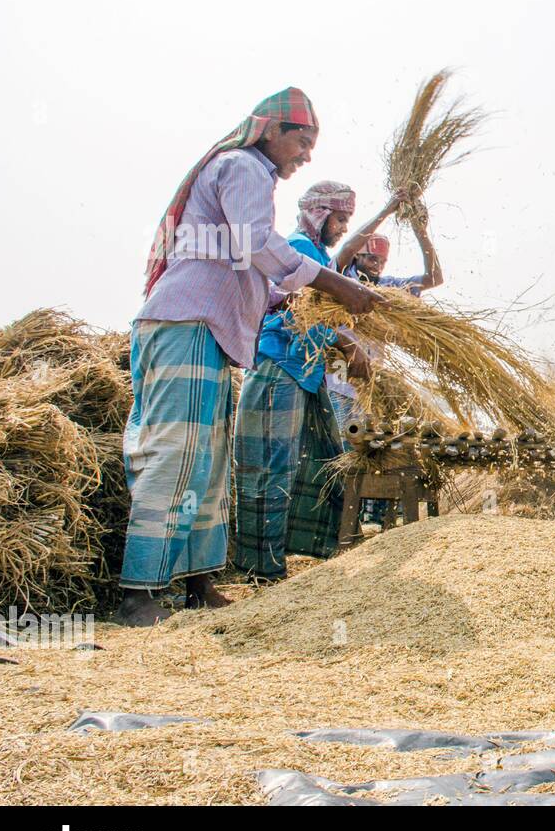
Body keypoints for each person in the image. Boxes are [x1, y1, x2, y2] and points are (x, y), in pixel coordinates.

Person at [117, 88, 380, 626]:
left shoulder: (249, 173)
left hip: (209, 335)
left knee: (206, 461)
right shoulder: (243, 166)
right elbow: (256, 243)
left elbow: (265, 275)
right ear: (270, 131)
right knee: (177, 451)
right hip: (184, 323)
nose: (306, 155)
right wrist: (336, 284)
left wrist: (329, 307)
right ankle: (138, 592)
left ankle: (197, 583)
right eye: (302, 141)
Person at [231, 180, 400, 580]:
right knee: (272, 468)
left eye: (347, 220)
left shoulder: (316, 253)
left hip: (305, 377)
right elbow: (309, 301)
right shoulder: (300, 249)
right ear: (319, 214)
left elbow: (318, 314)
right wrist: (347, 344)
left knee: (317, 463)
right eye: (340, 218)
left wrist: (346, 345)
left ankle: (315, 549)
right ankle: (262, 570)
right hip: (280, 369)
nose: (343, 226)